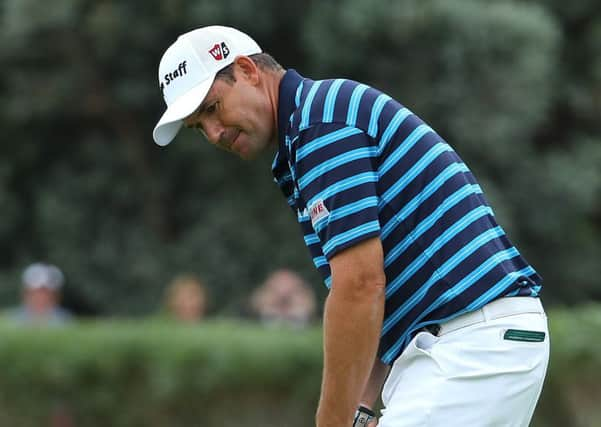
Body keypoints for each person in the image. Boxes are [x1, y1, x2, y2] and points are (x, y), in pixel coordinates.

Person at [152, 26, 549, 427]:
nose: (214, 133)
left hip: (471, 347)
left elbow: (360, 286)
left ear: (247, 71)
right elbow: (379, 301)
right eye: (198, 127)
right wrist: (358, 412)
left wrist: (333, 421)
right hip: (468, 347)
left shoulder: (318, 127)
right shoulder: (311, 126)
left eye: (212, 108)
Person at [6, 262, 72, 326]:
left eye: (47, 294)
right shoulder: (10, 320)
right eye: (36, 293)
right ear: (25, 293)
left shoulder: (66, 321)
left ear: (57, 296)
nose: (42, 298)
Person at [250, 269, 317, 328]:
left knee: (298, 312)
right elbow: (257, 304)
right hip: (274, 316)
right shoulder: (267, 292)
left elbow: (310, 307)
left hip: (294, 316)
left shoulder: (301, 293)